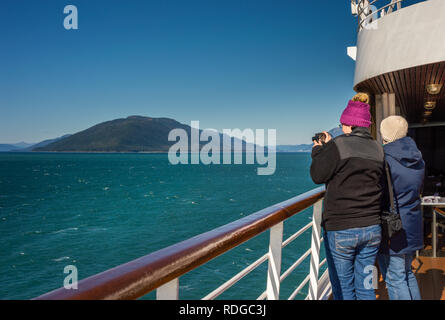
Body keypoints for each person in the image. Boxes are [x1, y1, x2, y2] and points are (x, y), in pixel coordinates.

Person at [310, 93, 384, 300]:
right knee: (366, 286)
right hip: (372, 229)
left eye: (342, 124)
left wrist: (318, 150)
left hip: (342, 230)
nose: (341, 128)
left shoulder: (339, 145)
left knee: (344, 290)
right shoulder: (378, 148)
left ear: (349, 125)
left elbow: (318, 175)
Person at [377, 115, 425, 300]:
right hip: (412, 223)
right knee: (407, 274)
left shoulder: (385, 158)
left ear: (385, 134)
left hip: (393, 227)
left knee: (395, 278)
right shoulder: (418, 158)